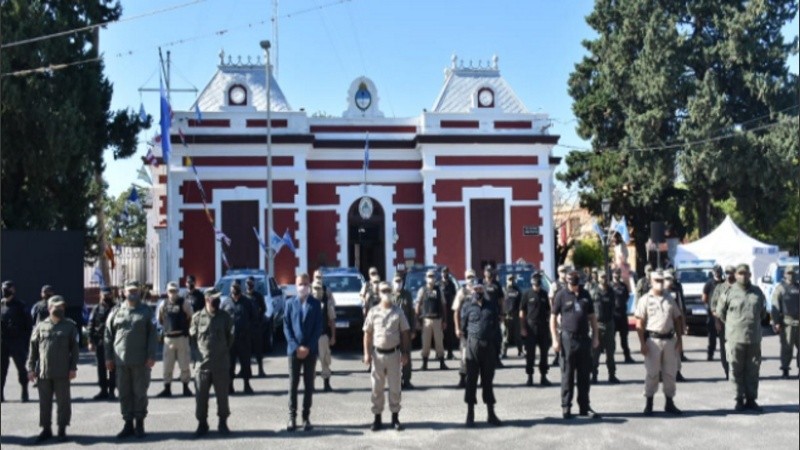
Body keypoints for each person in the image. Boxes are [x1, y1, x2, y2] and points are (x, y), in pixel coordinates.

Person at [104, 280, 157, 439]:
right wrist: (108, 357)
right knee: (124, 393)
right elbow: (108, 335)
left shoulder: (146, 311)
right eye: (129, 291)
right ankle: (128, 424)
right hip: (121, 361)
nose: (132, 293)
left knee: (140, 392)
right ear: (124, 292)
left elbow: (153, 335)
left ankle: (139, 424)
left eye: (135, 290)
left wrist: (151, 355)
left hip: (141, 361)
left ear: (139, 292)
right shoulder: (115, 311)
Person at [26, 296, 79, 443]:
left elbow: (74, 350)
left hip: (62, 372)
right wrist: (30, 368)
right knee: (44, 403)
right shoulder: (40, 326)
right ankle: (46, 430)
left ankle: (62, 430)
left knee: (63, 403)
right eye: (56, 307)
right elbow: (33, 349)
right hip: (44, 373)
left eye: (62, 307)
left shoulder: (69, 326)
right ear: (49, 308)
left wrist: (73, 368)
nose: (59, 309)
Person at [717, 264, 767, 412]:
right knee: (735, 369)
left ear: (750, 275)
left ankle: (751, 399)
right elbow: (721, 312)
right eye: (740, 273)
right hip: (735, 338)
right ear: (736, 275)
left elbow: (762, 313)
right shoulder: (729, 292)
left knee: (753, 370)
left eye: (746, 273)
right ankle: (738, 399)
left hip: (753, 338)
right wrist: (734, 325)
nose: (743, 276)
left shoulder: (757, 292)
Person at [551, 271, 601, 419]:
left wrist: (596, 337)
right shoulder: (561, 295)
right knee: (567, 375)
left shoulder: (585, 294)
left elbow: (592, 318)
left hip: (584, 340)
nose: (576, 288)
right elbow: (552, 319)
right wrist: (555, 339)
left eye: (578, 284)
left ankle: (584, 407)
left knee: (584, 375)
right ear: (568, 283)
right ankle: (566, 408)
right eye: (574, 285)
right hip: (568, 339)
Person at [363, 282, 411, 431]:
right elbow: (367, 334)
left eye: (389, 290)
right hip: (377, 355)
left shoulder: (398, 312)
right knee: (377, 388)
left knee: (395, 388)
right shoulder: (373, 311)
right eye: (383, 290)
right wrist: (366, 353)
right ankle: (377, 419)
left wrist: (405, 353)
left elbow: (405, 333)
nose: (386, 293)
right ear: (379, 293)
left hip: (394, 354)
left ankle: (395, 418)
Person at [635, 270, 683, 416]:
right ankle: (649, 403)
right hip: (653, 341)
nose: (660, 283)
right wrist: (642, 343)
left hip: (669, 340)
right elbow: (639, 322)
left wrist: (680, 340)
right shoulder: (645, 299)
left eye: (662, 280)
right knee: (652, 373)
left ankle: (669, 403)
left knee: (670, 373)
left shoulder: (670, 298)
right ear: (650, 281)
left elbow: (677, 319)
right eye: (656, 280)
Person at [190, 288, 234, 437]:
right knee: (201, 398)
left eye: (218, 298)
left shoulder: (225, 317)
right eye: (214, 298)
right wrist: (197, 358)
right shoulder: (197, 318)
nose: (217, 301)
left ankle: (223, 423)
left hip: (220, 365)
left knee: (222, 397)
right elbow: (192, 340)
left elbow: (230, 338)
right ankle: (202, 424)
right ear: (207, 299)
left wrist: (221, 352)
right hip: (202, 366)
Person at [284, 273, 323, 432]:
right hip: (293, 352)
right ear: (295, 284)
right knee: (293, 384)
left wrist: (307, 347)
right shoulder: (289, 303)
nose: (303, 287)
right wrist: (295, 347)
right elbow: (286, 327)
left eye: (306, 284)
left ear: (309, 286)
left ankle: (306, 417)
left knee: (309, 385)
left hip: (310, 351)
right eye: (300, 284)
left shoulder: (315, 304)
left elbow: (318, 328)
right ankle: (291, 417)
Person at [461, 282, 502, 427]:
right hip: (473, 347)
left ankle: (491, 414)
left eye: (480, 289)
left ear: (483, 290)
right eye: (475, 289)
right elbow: (463, 328)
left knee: (488, 382)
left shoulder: (491, 306)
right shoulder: (467, 306)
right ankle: (470, 414)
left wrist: (497, 351)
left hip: (489, 347)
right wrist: (467, 346)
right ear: (472, 290)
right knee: (471, 381)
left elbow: (497, 329)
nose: (478, 291)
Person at [156, 282, 193, 398]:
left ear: (178, 291)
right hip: (168, 339)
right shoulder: (163, 304)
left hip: (182, 337)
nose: (173, 294)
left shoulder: (184, 303)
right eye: (170, 291)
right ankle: (167, 388)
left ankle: (186, 388)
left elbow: (191, 316)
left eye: (175, 291)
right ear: (167, 292)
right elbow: (160, 319)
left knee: (184, 364)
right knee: (167, 365)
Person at [1, 280, 33, 403]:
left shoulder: (20, 305)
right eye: (3, 288)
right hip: (3, 341)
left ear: (13, 290)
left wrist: (25, 342)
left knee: (21, 368)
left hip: (17, 342)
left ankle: (24, 391)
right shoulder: (1, 304)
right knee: (2, 369)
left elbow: (28, 326)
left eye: (7, 288)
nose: (5, 291)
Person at [222, 282, 255, 395]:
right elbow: (222, 319)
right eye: (234, 294)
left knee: (245, 362)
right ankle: (230, 386)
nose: (236, 296)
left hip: (244, 338)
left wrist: (248, 330)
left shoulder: (247, 302)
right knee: (230, 364)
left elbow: (253, 317)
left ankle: (247, 384)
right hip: (230, 339)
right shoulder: (225, 302)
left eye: (237, 293)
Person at [519, 271, 551, 386]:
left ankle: (543, 376)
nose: (537, 281)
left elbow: (548, 311)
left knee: (544, 353)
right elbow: (522, 313)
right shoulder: (526, 294)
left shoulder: (544, 294)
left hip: (542, 326)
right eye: (536, 279)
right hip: (530, 327)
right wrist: (523, 328)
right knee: (530, 354)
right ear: (532, 280)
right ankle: (530, 377)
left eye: (539, 279)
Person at [87, 287, 117, 400]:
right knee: (101, 367)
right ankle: (103, 390)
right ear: (100, 295)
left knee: (112, 367)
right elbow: (91, 325)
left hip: (114, 342)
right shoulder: (96, 309)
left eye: (108, 295)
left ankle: (112, 391)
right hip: (100, 341)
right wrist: (90, 341)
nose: (106, 297)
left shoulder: (116, 308)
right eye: (104, 295)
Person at [416, 269, 448, 370]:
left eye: (432, 276)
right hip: (426, 320)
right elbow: (418, 304)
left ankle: (442, 363)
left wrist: (445, 320)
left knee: (439, 343)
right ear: (426, 278)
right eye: (429, 276)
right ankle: (424, 364)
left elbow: (443, 305)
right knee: (425, 343)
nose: (431, 278)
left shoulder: (439, 290)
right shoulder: (422, 290)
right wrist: (417, 320)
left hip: (437, 320)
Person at [771, 267, 799, 379]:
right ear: (785, 274)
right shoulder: (780, 289)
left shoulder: (798, 287)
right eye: (789, 273)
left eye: (792, 273)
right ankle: (785, 369)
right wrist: (776, 322)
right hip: (787, 322)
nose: (791, 275)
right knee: (787, 347)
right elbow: (775, 306)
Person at [591, 272, 619, 384]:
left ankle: (612, 375)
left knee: (610, 352)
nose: (603, 279)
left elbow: (615, 306)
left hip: (609, 324)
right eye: (601, 277)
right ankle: (594, 375)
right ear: (598, 278)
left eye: (605, 277)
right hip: (597, 325)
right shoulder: (593, 291)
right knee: (594, 353)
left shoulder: (611, 292)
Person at [710, 265, 736, 380]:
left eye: (731, 272)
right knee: (725, 348)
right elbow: (713, 307)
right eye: (727, 272)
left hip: (738, 324)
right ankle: (727, 371)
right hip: (724, 323)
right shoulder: (720, 288)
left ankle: (737, 371)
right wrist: (717, 321)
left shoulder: (740, 287)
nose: (729, 274)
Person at [391, 274, 416, 389]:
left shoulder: (408, 295)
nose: (398, 283)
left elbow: (412, 313)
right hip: (393, 332)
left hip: (405, 331)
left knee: (406, 355)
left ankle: (406, 380)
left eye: (399, 281)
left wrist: (413, 329)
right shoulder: (389, 296)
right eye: (396, 281)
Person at [453, 270, 477, 388]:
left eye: (472, 277)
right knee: (464, 355)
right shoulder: (461, 292)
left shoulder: (479, 291)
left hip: (476, 329)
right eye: (468, 277)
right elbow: (456, 311)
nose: (470, 279)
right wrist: (457, 328)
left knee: (477, 355)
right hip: (464, 329)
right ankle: (462, 379)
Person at [312, 277, 337, 392]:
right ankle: (310, 384)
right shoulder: (307, 302)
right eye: (315, 288)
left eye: (319, 288)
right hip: (310, 337)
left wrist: (333, 336)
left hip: (323, 336)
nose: (317, 290)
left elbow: (332, 320)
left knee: (325, 360)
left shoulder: (327, 302)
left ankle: (326, 383)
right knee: (310, 362)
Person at [664, 270, 687, 382]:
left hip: (673, 326)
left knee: (676, 351)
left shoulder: (675, 293)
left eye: (670, 279)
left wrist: (683, 324)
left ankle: (677, 372)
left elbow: (680, 309)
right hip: (661, 327)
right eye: (667, 279)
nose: (669, 282)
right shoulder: (656, 293)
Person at [245, 276, 268, 378]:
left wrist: (258, 317)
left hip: (256, 327)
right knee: (246, 351)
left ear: (254, 284)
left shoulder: (258, 296)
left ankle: (260, 370)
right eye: (248, 283)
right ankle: (246, 370)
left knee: (258, 350)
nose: (249, 285)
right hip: (246, 327)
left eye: (251, 283)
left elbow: (264, 309)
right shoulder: (243, 296)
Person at [482, 266, 505, 368]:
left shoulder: (497, 285)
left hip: (495, 315)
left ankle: (497, 359)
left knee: (497, 339)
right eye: (488, 272)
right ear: (484, 273)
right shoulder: (481, 284)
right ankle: (485, 360)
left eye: (490, 272)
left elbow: (501, 300)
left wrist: (502, 313)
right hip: (484, 316)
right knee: (485, 338)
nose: (489, 274)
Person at [611, 268, 635, 363]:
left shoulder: (623, 286)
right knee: (611, 339)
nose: (616, 275)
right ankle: (611, 358)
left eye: (618, 273)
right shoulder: (609, 286)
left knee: (624, 338)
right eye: (615, 273)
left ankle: (627, 356)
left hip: (622, 315)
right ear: (612, 274)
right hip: (613, 315)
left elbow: (627, 297)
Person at [702, 265, 724, 361]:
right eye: (716, 271)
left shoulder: (725, 283)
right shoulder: (709, 284)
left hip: (724, 314)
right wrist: (711, 307)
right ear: (713, 272)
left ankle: (725, 355)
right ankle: (710, 354)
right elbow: (704, 298)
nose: (718, 273)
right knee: (712, 336)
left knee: (724, 336)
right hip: (712, 314)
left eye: (719, 271)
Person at [549, 265, 569, 367]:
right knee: (557, 334)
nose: (564, 273)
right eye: (562, 271)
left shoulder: (568, 283)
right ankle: (557, 356)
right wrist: (554, 313)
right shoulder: (555, 284)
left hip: (567, 312)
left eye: (565, 271)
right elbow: (551, 299)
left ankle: (564, 354)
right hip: (558, 312)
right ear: (558, 272)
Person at [501, 274, 523, 359]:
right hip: (506, 316)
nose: (511, 281)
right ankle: (503, 352)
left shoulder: (518, 290)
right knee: (505, 335)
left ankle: (520, 351)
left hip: (516, 316)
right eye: (510, 279)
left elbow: (521, 303)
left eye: (513, 279)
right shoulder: (504, 290)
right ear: (507, 280)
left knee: (518, 335)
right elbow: (501, 302)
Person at [440, 267, 459, 360]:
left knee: (449, 333)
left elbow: (455, 296)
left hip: (450, 311)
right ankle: (440, 354)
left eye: (446, 272)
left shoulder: (451, 284)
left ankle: (450, 353)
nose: (445, 274)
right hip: (441, 312)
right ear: (441, 273)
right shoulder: (438, 284)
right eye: (443, 272)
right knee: (440, 334)